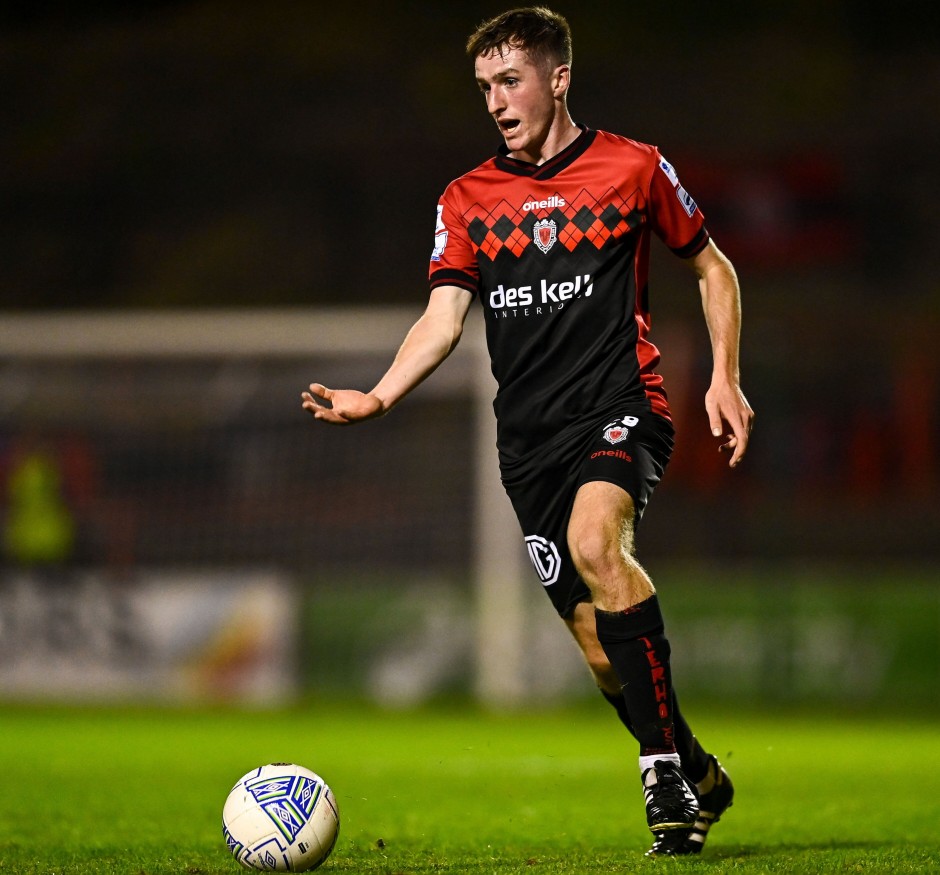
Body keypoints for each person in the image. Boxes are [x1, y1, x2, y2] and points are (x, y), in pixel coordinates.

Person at [302, 6, 754, 858]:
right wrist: (382, 394)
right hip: (529, 444)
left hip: (623, 405)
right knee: (595, 645)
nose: (498, 102)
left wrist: (724, 374)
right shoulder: (468, 198)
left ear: (559, 77)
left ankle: (661, 776)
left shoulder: (632, 167)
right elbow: (441, 319)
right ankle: (694, 760)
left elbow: (713, 265)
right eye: (484, 87)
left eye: (511, 80)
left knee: (597, 541)